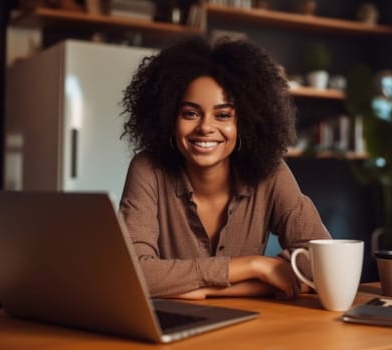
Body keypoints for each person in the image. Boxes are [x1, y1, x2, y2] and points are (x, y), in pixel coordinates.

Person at [119, 35, 331, 300]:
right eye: (190, 113)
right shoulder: (148, 169)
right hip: (174, 333)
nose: (206, 127)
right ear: (169, 119)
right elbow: (133, 274)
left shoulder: (271, 173)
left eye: (223, 115)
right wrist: (255, 266)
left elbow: (323, 262)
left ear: (245, 123)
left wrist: (200, 289)